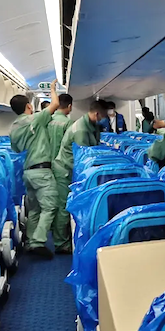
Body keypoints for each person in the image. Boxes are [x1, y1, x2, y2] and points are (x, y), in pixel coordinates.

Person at [9, 80, 60, 259]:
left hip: (28, 172)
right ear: (29, 106)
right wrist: (52, 89)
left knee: (35, 209)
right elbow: (55, 104)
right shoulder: (34, 119)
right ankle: (38, 241)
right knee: (51, 206)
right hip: (41, 171)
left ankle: (30, 241)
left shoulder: (14, 128)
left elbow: (16, 150)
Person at [51, 100, 108, 253]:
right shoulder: (81, 130)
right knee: (65, 206)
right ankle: (61, 244)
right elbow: (85, 159)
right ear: (97, 114)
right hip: (65, 170)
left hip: (73, 169)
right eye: (104, 116)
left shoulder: (92, 125)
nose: (105, 120)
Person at [48, 93, 74, 162]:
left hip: (46, 160)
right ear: (70, 106)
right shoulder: (68, 123)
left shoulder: (48, 119)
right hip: (61, 161)